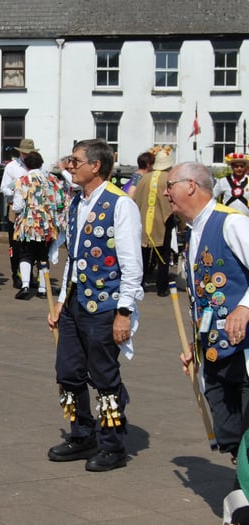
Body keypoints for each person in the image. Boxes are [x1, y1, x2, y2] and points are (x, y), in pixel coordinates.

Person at [47, 139, 143, 472]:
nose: (70, 166)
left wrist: (124, 311)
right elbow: (73, 258)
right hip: (75, 301)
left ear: (95, 166)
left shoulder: (120, 204)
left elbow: (132, 264)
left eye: (75, 161)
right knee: (68, 372)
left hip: (105, 304)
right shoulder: (77, 203)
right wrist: (61, 301)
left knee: (103, 375)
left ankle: (112, 445)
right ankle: (81, 433)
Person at [168, 162, 249, 468]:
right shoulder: (193, 232)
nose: (165, 192)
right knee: (228, 435)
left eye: (170, 185)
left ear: (191, 185)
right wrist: (195, 345)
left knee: (246, 434)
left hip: (243, 352)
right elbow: (204, 300)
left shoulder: (232, 223)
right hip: (213, 352)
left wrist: (245, 307)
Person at [12, 151, 65, 300]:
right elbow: (60, 201)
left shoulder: (22, 180)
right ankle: (43, 288)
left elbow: (17, 206)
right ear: (41, 164)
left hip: (27, 224)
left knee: (25, 254)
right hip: (47, 224)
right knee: (43, 255)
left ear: (26, 164)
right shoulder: (52, 180)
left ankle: (25, 286)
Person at [133, 146, 175, 297]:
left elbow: (135, 199)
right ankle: (161, 287)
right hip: (164, 220)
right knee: (163, 256)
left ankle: (140, 283)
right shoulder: (169, 179)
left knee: (142, 254)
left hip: (143, 219)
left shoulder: (145, 178)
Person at [0, 138, 39, 289]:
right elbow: (4, 188)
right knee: (15, 244)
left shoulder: (37, 167)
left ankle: (29, 276)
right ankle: (16, 273)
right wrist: (18, 189)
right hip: (15, 209)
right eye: (25, 153)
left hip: (34, 210)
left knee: (33, 244)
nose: (27, 155)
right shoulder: (12, 167)